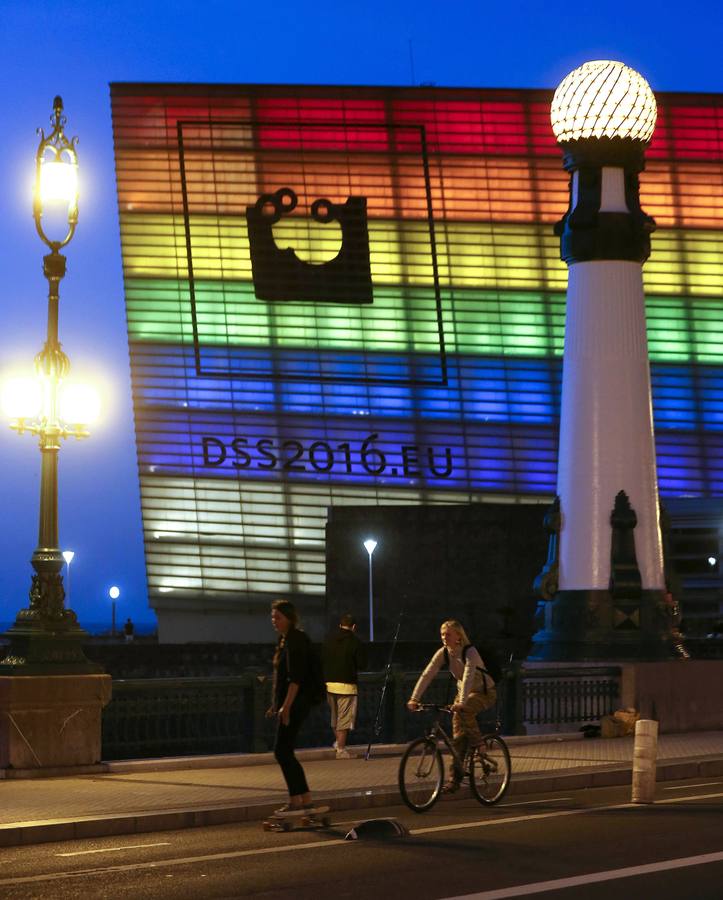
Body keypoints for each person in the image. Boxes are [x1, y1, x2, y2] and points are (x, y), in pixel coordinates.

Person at [407, 619, 496, 793]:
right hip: (463, 693)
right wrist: (414, 698)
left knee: (466, 710)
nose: (444, 637)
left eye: (448, 634)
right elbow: (428, 674)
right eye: (442, 634)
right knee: (458, 739)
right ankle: (455, 778)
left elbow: (469, 676)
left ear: (458, 636)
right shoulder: (444, 653)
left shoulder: (470, 652)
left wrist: (461, 702)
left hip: (484, 692)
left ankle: (480, 745)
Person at [268, 599, 317, 814]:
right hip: (289, 703)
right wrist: (275, 705)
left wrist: (286, 707)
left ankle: (297, 799)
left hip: (296, 703)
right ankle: (304, 798)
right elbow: (282, 678)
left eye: (278, 617)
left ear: (289, 618)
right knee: (286, 751)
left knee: (282, 751)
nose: (274, 621)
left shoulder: (296, 640)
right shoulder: (285, 640)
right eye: (272, 617)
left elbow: (295, 678)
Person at [323, 613, 366, 758]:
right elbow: (361, 664)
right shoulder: (356, 642)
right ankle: (341, 750)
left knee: (335, 717)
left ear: (340, 625)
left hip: (329, 684)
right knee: (344, 718)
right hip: (347, 685)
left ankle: (337, 743)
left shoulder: (329, 640)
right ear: (354, 627)